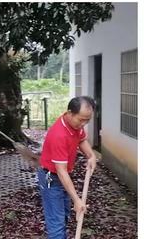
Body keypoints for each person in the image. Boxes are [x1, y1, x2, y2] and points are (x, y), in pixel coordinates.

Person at [38, 96, 97, 239]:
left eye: (87, 120)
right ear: (70, 113)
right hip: (50, 177)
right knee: (56, 223)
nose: (83, 124)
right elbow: (61, 170)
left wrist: (91, 156)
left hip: (62, 176)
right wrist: (77, 200)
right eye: (81, 119)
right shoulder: (59, 134)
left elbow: (81, 139)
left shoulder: (75, 125)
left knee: (64, 215)